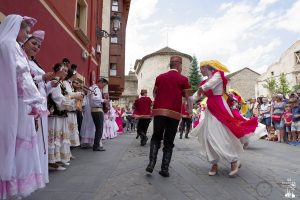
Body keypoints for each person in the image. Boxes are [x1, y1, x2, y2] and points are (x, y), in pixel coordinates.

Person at [0, 14, 47, 199]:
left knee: (8, 142)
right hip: (19, 103)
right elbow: (23, 76)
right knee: (17, 143)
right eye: (25, 31)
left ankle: (8, 185)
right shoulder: (11, 46)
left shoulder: (6, 44)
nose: (27, 35)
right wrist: (36, 101)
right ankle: (13, 185)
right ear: (16, 28)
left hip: (11, 100)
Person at [191, 60, 258, 177]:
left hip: (219, 106)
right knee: (208, 136)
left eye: (201, 68)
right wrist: (188, 98)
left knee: (221, 133)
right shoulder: (204, 81)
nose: (200, 71)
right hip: (210, 109)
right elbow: (197, 94)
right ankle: (214, 164)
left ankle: (234, 161)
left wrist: (199, 91)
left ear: (206, 67)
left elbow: (207, 87)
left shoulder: (218, 75)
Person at [146, 55, 193, 177]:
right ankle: (164, 168)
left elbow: (155, 93)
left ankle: (151, 164)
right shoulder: (183, 79)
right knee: (169, 140)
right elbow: (189, 98)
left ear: (171, 64)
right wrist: (190, 110)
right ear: (179, 65)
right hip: (174, 113)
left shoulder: (160, 77)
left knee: (156, 137)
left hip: (160, 111)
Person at [23, 30, 57, 185]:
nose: (37, 47)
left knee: (41, 139)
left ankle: (40, 174)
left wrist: (50, 84)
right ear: (24, 41)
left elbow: (41, 87)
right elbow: (25, 81)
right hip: (29, 105)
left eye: (39, 45)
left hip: (40, 104)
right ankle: (28, 176)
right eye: (34, 43)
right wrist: (42, 77)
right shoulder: (22, 60)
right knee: (33, 139)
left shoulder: (34, 62)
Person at [63, 66, 82, 149]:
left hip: (72, 111)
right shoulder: (65, 83)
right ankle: (67, 150)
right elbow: (68, 95)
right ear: (72, 75)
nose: (76, 76)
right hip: (68, 111)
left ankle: (68, 152)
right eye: (75, 74)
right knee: (68, 132)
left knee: (71, 132)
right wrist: (77, 94)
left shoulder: (70, 84)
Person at [90, 77, 109, 151]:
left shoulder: (94, 88)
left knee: (98, 129)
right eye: (103, 85)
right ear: (100, 82)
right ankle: (96, 145)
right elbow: (95, 98)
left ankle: (96, 145)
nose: (103, 87)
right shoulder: (96, 89)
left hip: (95, 110)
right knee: (99, 129)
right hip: (97, 110)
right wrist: (104, 100)